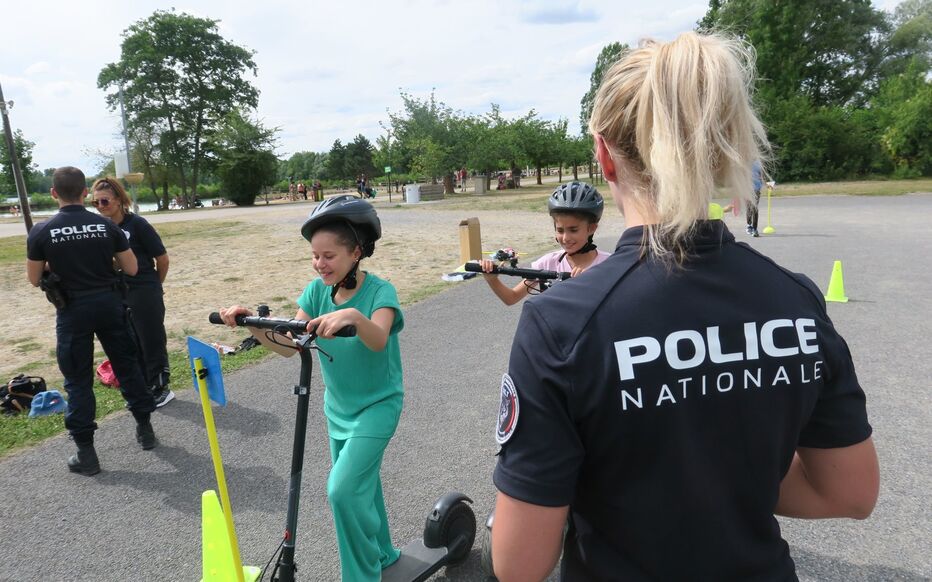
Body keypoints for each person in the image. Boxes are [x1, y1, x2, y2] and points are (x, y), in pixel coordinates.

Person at [489, 32, 879, 582]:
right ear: (723, 144)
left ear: (603, 155)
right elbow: (851, 491)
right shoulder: (795, 299)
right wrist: (732, 480)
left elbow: (519, 564)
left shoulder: (562, 323)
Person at [219, 195, 403, 581]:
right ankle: (383, 554)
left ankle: (361, 576)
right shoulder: (316, 292)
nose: (320, 264)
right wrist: (253, 325)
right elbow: (291, 346)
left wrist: (353, 315)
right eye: (315, 255)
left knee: (342, 490)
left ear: (356, 251)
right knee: (360, 485)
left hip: (378, 405)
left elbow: (379, 339)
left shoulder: (380, 293)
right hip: (338, 408)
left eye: (329, 255)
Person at [26, 167, 158, 476]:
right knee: (127, 366)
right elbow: (132, 268)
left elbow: (34, 279)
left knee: (78, 380)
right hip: (110, 304)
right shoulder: (105, 226)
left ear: (54, 193)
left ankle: (86, 453)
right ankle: (145, 430)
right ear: (85, 192)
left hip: (72, 311)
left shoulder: (43, 231)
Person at [91, 177, 173, 407]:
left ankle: (160, 387)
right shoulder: (101, 229)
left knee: (151, 339)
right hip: (118, 292)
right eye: (95, 203)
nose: (100, 207)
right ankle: (143, 386)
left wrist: (155, 286)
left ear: (118, 199)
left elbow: (162, 259)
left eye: (104, 201)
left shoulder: (137, 225)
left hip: (144, 289)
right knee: (130, 342)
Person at [478, 181, 611, 306]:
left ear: (591, 228)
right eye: (560, 230)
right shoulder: (548, 263)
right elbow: (511, 298)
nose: (565, 238)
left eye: (573, 230)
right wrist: (492, 279)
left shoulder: (610, 264)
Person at [747, 159, 764, 237]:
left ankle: (755, 229)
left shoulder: (758, 163)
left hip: (756, 188)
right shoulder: (744, 162)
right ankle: (749, 225)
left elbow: (761, 175)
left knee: (755, 208)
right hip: (747, 189)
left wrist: (762, 183)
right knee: (749, 207)